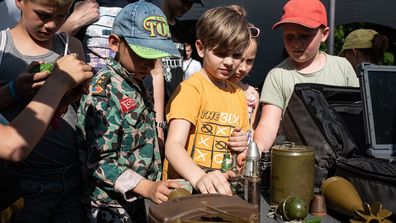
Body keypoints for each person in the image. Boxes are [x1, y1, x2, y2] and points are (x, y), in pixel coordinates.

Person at [76, 1, 183, 222]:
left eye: (155, 56)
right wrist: (146, 187)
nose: (149, 64)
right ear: (115, 43)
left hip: (137, 200)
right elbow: (100, 161)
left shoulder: (135, 81)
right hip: (109, 206)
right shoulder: (103, 91)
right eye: (141, 53)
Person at [0, 0, 92, 222]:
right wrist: (15, 91)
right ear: (20, 2)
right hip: (21, 182)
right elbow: (13, 146)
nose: (51, 25)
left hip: (69, 177)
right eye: (43, 15)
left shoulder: (72, 46)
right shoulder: (3, 46)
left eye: (61, 16)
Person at [163, 5, 250, 195]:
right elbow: (173, 145)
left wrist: (243, 142)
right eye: (220, 53)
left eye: (236, 55)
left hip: (223, 190)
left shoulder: (238, 94)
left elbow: (244, 141)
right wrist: (199, 177)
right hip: (186, 193)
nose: (229, 62)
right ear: (201, 48)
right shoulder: (191, 89)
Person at [254, 0, 359, 153]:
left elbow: (357, 113)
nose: (297, 43)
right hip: (296, 159)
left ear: (324, 34)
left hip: (343, 156)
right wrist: (257, 149)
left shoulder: (342, 67)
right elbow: (269, 124)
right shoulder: (277, 76)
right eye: (289, 36)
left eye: (305, 36)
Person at [229, 23, 260, 142]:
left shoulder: (253, 94)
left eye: (249, 61)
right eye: (239, 59)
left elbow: (252, 132)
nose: (243, 68)